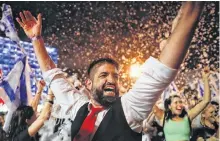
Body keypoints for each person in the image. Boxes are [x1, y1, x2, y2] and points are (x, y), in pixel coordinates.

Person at [16, 2, 204, 141]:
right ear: (88, 84)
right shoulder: (77, 106)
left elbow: (162, 71)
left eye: (115, 75)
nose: (112, 80)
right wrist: (37, 39)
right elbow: (52, 74)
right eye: (104, 75)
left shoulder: (130, 107)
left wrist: (190, 13)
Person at [153, 69, 211, 141]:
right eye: (176, 102)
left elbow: (206, 101)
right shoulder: (163, 117)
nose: (179, 104)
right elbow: (150, 103)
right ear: (169, 106)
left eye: (180, 102)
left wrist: (205, 79)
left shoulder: (188, 117)